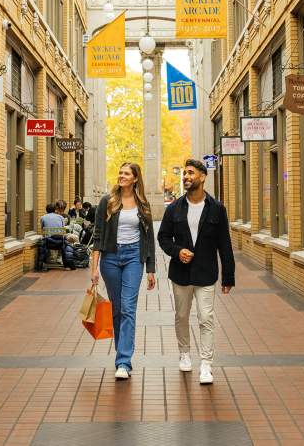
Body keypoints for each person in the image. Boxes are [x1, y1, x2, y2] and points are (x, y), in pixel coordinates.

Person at [157, 159, 235, 385]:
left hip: (206, 272)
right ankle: (184, 353)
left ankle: (206, 364)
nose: (186, 177)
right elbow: (163, 237)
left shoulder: (217, 208)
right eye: (184, 174)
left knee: (206, 318)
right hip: (180, 274)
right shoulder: (174, 208)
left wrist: (227, 275)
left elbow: (225, 243)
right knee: (181, 316)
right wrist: (177, 251)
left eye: (191, 173)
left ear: (202, 177)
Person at [91, 162, 156, 380]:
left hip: (133, 258)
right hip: (110, 258)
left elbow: (149, 239)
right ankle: (122, 353)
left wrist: (151, 269)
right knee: (117, 309)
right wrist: (94, 268)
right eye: (120, 172)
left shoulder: (142, 204)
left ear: (135, 178)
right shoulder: (107, 202)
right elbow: (98, 235)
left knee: (128, 308)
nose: (122, 176)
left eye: (126, 173)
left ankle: (123, 362)